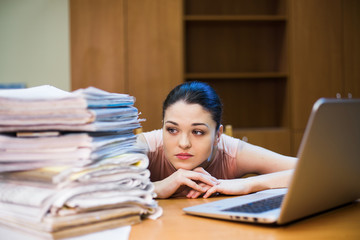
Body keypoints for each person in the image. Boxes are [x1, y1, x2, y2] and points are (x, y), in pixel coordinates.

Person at [137, 81, 297, 199]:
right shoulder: (145, 147)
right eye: (172, 130)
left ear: (218, 135)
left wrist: (248, 184)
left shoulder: (231, 152)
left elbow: (313, 172)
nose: (183, 143)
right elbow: (110, 187)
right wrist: (157, 187)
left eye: (198, 132)